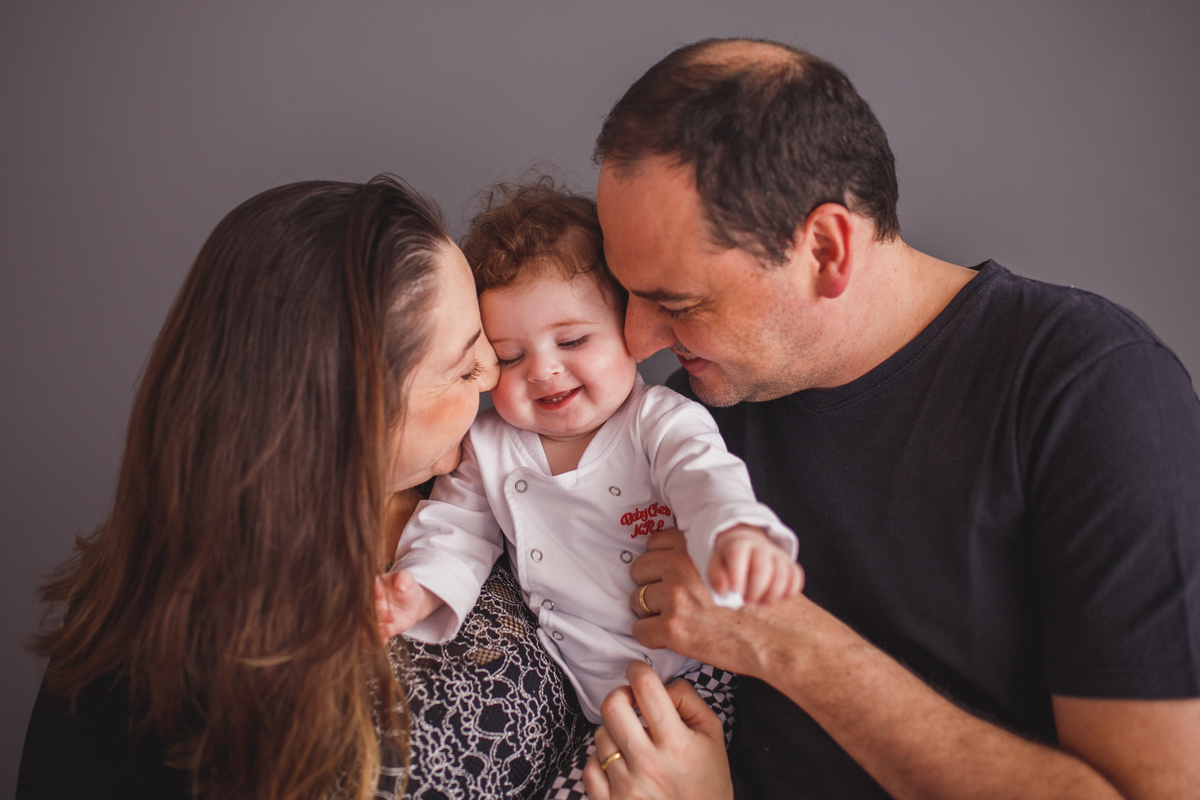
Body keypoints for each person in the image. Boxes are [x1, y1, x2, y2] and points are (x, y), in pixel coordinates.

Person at [582, 38, 1200, 800]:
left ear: (826, 248)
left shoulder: (1089, 387)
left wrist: (785, 640)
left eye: (677, 303)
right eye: (627, 294)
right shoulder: (687, 420)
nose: (634, 344)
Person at [17, 176, 590, 800]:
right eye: (460, 365)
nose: (490, 378)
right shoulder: (152, 656)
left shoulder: (497, 481)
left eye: (485, 343)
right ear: (346, 412)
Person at [374, 183, 802, 800]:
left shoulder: (659, 421)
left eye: (572, 342)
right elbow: (455, 525)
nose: (544, 370)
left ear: (628, 329)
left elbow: (704, 479)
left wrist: (734, 532)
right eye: (510, 356)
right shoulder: (491, 442)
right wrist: (417, 591)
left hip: (680, 678)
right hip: (579, 689)